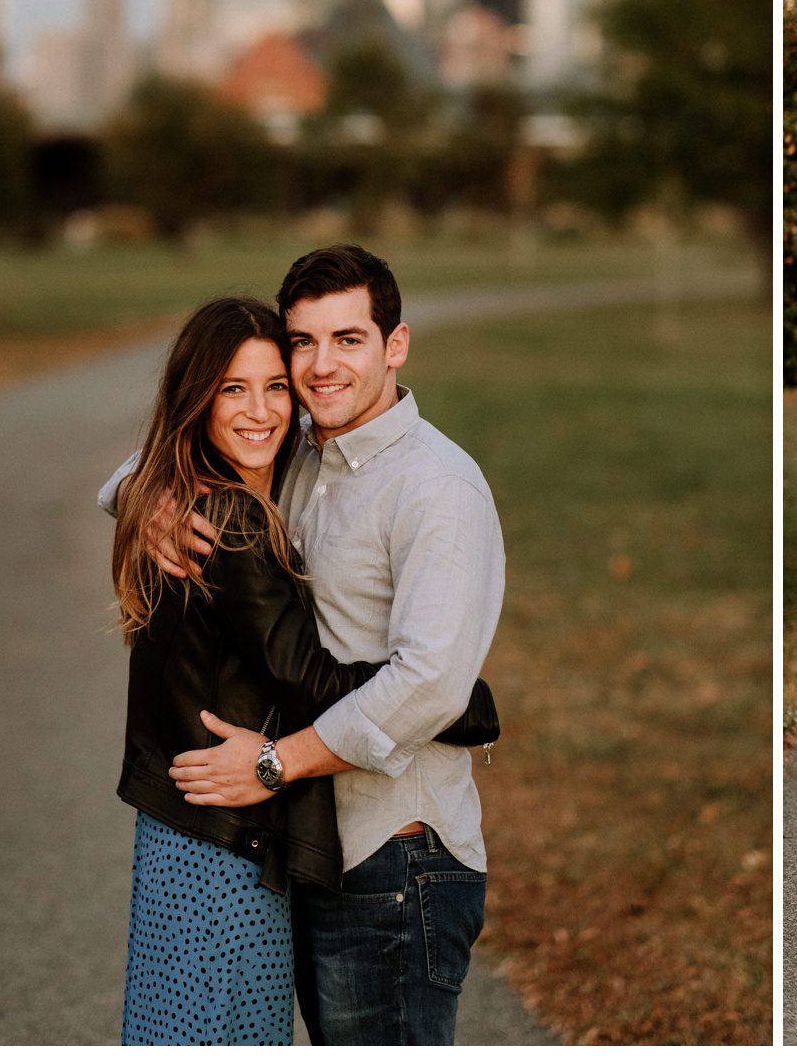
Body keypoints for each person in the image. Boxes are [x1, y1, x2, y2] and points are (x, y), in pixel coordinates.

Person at [103, 244, 505, 1042]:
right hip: (307, 844)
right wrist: (145, 498)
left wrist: (273, 762)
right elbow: (157, 458)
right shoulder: (296, 454)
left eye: (348, 339)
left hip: (396, 857)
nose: (321, 365)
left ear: (395, 346)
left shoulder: (438, 489)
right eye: (303, 342)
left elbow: (427, 686)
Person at [112, 296, 400, 1043]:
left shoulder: (188, 497)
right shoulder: (231, 521)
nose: (261, 410)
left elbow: (132, 475)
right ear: (197, 399)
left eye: (277, 386)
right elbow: (311, 682)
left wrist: (142, 494)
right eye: (233, 389)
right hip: (220, 852)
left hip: (185, 839)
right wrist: (457, 702)